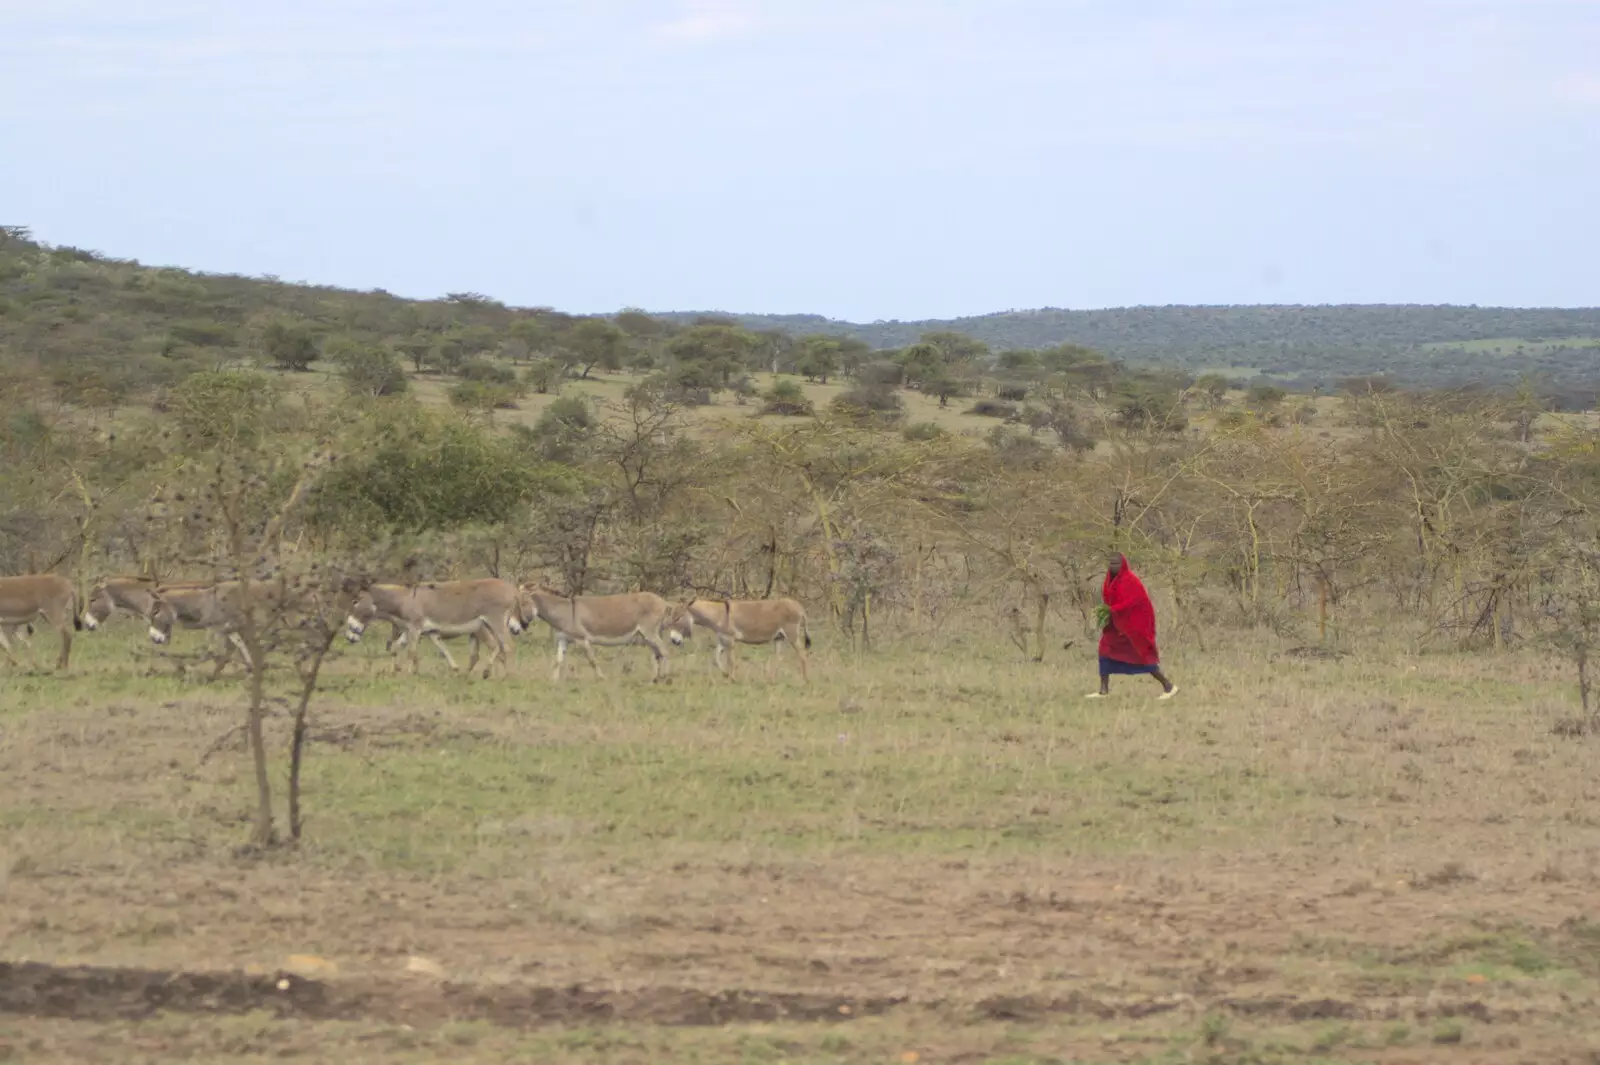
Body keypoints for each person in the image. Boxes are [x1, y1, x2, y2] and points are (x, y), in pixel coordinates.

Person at [1087, 552, 1177, 699]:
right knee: (1104, 649)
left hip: (1134, 623)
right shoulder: (1109, 580)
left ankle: (1168, 686)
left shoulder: (1130, 580)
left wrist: (1112, 609)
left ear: (1123, 564)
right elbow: (1108, 598)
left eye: (1116, 564)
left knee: (1141, 654)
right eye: (1111, 563)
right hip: (1116, 623)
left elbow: (1133, 601)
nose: (1113, 566)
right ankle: (1103, 690)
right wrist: (1107, 612)